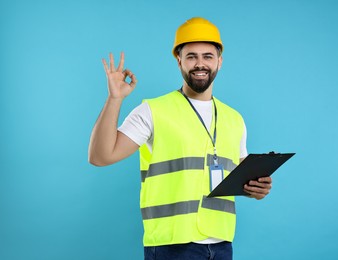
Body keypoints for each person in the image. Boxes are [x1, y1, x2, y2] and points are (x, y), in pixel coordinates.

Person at [88, 17, 272, 260]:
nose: (200, 64)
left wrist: (257, 189)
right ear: (179, 62)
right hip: (171, 246)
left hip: (222, 244)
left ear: (219, 61)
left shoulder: (234, 119)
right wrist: (115, 99)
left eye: (207, 56)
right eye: (191, 56)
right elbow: (100, 156)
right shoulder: (153, 111)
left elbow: (238, 180)